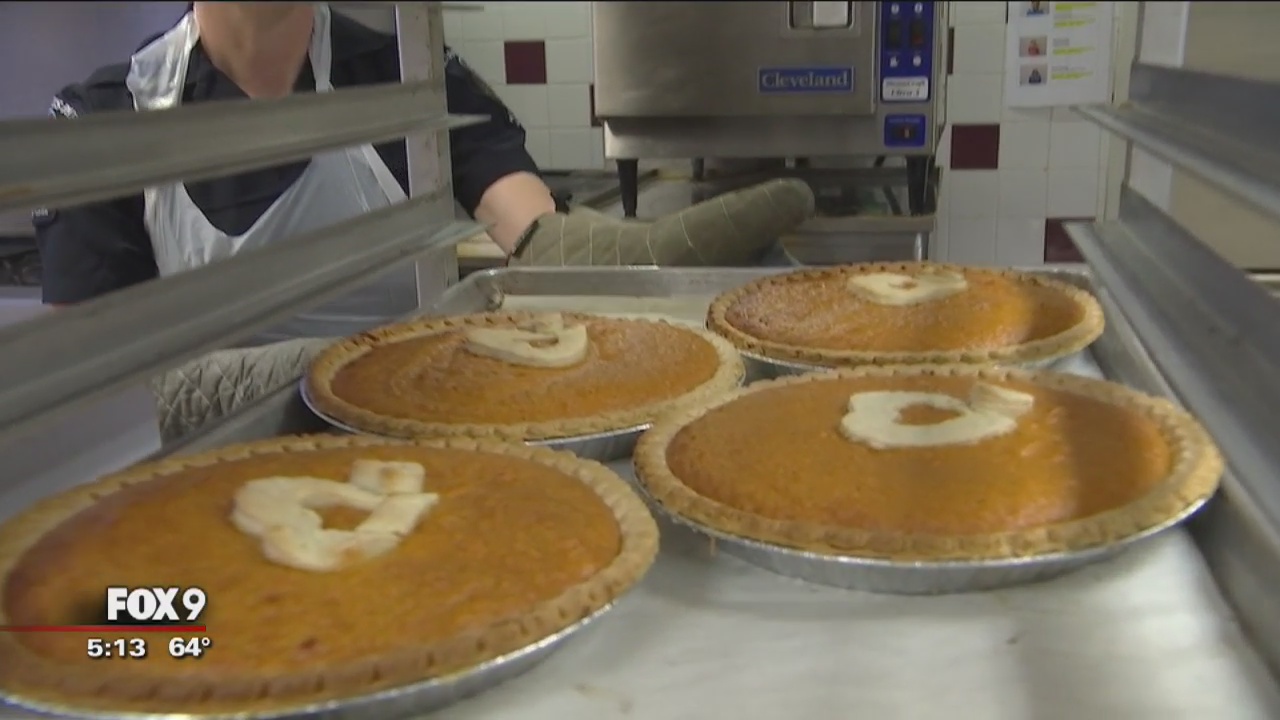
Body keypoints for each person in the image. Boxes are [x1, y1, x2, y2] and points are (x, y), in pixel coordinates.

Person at [36, 2, 815, 441]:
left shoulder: (410, 78)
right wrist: (313, 372)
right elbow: (97, 405)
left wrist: (662, 250)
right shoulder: (106, 123)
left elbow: (546, 246)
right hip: (208, 485)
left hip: (412, 459)